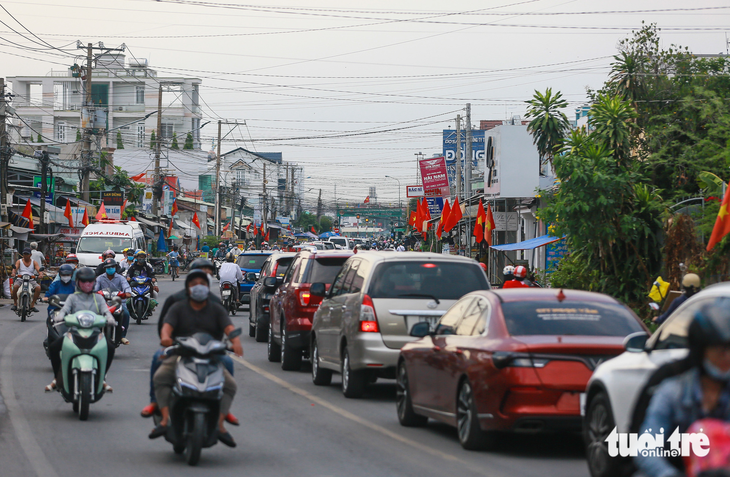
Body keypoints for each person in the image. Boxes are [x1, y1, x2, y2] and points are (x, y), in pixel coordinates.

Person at [635, 298, 730, 477]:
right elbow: (647, 448)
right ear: (701, 349)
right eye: (720, 349)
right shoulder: (672, 392)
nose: (727, 357)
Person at [150, 269, 243, 447]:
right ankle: (164, 420)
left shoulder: (216, 308)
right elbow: (167, 326)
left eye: (202, 284)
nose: (198, 288)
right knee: (160, 377)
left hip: (210, 356)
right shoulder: (178, 307)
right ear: (188, 288)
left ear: (208, 287)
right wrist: (166, 338)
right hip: (181, 354)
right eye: (194, 285)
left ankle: (220, 424)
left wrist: (236, 341)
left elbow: (229, 328)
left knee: (230, 385)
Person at [46, 267, 116, 392]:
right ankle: (57, 378)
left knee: (110, 347)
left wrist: (110, 319)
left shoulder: (98, 298)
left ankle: (103, 378)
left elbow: (106, 311)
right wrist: (60, 317)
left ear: (94, 282)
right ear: (78, 282)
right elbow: (64, 310)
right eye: (84, 281)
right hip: (74, 333)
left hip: (95, 333)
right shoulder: (73, 297)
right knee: (54, 347)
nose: (87, 284)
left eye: (90, 281)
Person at [95, 258, 132, 345]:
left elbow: (126, 287)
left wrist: (127, 293)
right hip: (103, 303)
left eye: (112, 267)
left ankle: (122, 336)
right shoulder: (100, 278)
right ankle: (95, 334)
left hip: (118, 303)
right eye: (108, 267)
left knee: (126, 314)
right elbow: (95, 289)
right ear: (105, 268)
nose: (110, 269)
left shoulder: (121, 278)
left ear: (115, 267)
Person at [12, 248, 42, 312]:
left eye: (27, 254)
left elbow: (39, 270)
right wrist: (13, 273)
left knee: (38, 288)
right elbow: (15, 268)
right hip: (20, 278)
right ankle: (15, 303)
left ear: (30, 255)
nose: (25, 255)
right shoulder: (19, 261)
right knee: (15, 287)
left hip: (31, 279)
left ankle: (32, 304)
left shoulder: (34, 262)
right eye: (24, 254)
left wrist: (40, 274)